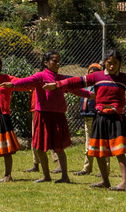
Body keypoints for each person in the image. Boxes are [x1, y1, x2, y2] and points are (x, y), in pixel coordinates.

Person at [48, 51, 126, 190]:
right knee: (98, 150)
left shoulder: (124, 78)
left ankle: (125, 182)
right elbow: (76, 81)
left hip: (116, 118)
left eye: (115, 63)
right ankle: (105, 181)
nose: (112, 66)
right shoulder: (97, 76)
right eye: (109, 63)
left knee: (119, 151)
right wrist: (58, 85)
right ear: (104, 63)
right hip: (100, 117)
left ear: (120, 64)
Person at [5, 51, 74, 183]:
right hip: (42, 115)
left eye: (59, 61)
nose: (58, 64)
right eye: (54, 61)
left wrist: (90, 94)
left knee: (59, 147)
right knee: (40, 147)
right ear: (46, 63)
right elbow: (26, 81)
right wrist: (13, 85)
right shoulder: (40, 76)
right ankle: (46, 176)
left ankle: (65, 176)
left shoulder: (61, 78)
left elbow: (75, 88)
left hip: (58, 115)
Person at [73, 62, 102, 175]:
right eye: (91, 72)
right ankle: (87, 168)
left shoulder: (100, 86)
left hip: (98, 117)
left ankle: (104, 169)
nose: (93, 74)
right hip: (87, 117)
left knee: (101, 144)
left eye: (96, 72)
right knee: (88, 145)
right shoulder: (85, 86)